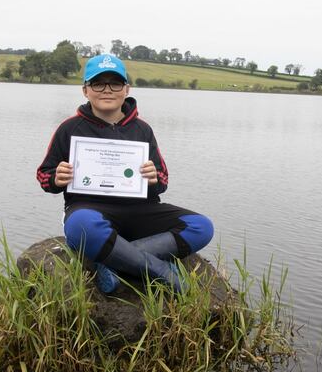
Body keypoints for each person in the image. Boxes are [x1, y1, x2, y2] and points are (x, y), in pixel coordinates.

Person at [37, 54, 214, 294]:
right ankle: (161, 271)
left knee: (201, 227)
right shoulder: (69, 128)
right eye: (98, 84)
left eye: (115, 83)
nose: (107, 90)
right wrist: (56, 178)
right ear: (85, 90)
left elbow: (162, 180)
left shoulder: (143, 129)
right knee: (80, 226)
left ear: (126, 89)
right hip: (91, 211)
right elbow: (44, 175)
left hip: (140, 211)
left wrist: (153, 177)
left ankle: (112, 261)